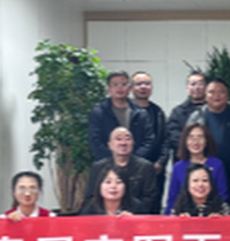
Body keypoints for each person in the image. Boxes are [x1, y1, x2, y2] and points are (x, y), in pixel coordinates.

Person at [186, 78, 230, 178]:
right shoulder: (196, 117)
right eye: (211, 92)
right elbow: (187, 144)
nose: (216, 95)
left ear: (228, 95)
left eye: (221, 92)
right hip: (204, 172)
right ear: (205, 95)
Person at [83, 127, 158, 214]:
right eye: (118, 139)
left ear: (133, 143)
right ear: (110, 145)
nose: (123, 143)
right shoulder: (98, 167)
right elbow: (90, 196)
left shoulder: (145, 167)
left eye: (127, 139)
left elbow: (150, 198)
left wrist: (133, 214)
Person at [87, 71, 154, 162]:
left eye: (123, 84)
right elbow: (95, 142)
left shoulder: (141, 113)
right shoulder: (99, 113)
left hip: (137, 165)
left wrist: (133, 161)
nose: (120, 88)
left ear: (129, 88)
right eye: (115, 85)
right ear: (109, 89)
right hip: (107, 165)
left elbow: (149, 140)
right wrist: (115, 162)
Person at [165, 123, 229, 214]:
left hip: (212, 215)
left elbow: (223, 195)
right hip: (184, 216)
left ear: (206, 141)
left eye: (200, 137)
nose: (196, 141)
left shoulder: (217, 164)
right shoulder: (178, 167)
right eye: (191, 137)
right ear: (185, 141)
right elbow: (172, 198)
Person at [130, 70, 169, 201]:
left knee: (154, 205)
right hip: (131, 169)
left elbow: (165, 140)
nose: (143, 87)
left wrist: (161, 162)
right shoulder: (126, 111)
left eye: (147, 83)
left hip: (155, 169)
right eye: (139, 84)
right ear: (131, 88)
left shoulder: (158, 112)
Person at [166, 71, 208, 162]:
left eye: (200, 84)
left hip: (209, 158)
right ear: (187, 88)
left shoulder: (213, 110)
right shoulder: (178, 112)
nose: (197, 88)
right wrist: (193, 149)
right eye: (193, 84)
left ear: (206, 87)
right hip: (184, 160)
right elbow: (173, 136)